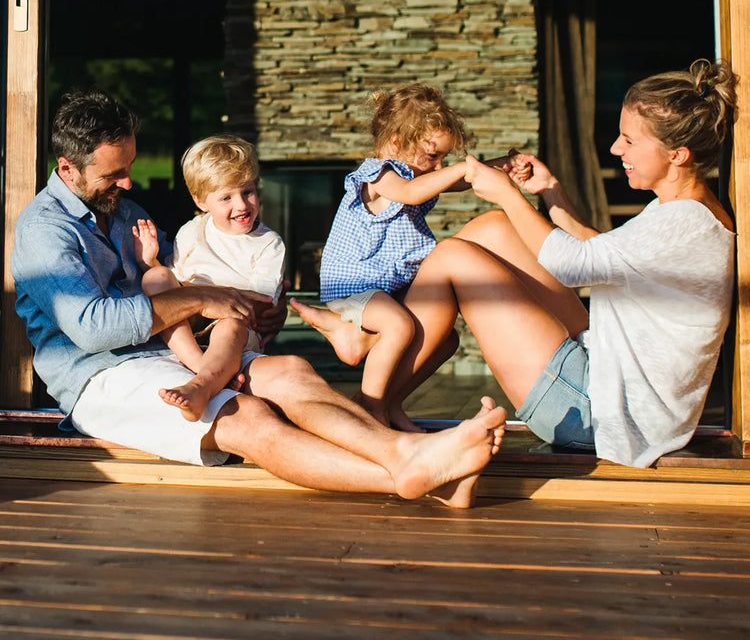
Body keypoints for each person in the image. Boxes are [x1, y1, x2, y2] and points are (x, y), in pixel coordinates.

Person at [11, 87, 507, 508]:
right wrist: (208, 298)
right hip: (102, 374)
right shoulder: (43, 231)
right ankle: (414, 473)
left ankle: (415, 458)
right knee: (246, 416)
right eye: (114, 174)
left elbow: (179, 270)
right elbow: (96, 328)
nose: (129, 182)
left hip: (171, 352)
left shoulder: (119, 208)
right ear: (67, 168)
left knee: (291, 371)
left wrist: (249, 309)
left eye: (130, 167)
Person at [294, 58, 737, 468]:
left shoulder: (682, 224)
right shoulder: (680, 211)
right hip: (605, 374)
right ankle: (386, 367)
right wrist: (550, 191)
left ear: (677, 155)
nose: (617, 148)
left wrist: (507, 191)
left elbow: (577, 264)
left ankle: (370, 400)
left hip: (599, 412)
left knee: (452, 256)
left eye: (630, 140)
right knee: (491, 228)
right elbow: (600, 251)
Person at [290, 83, 527, 430]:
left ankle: (390, 402)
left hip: (386, 286)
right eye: (432, 156)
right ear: (398, 142)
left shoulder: (418, 172)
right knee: (399, 327)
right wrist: (463, 168)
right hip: (356, 284)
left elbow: (459, 181)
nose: (439, 166)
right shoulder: (379, 174)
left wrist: (500, 166)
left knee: (446, 340)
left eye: (443, 158)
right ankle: (369, 409)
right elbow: (412, 194)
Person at [133, 135, 286, 422]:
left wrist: (201, 297)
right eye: (226, 197)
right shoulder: (192, 231)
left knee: (229, 326)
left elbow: (258, 304)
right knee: (155, 277)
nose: (241, 205)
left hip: (234, 325)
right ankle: (199, 364)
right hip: (190, 323)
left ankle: (201, 387)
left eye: (248, 192)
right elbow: (173, 285)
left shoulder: (268, 243)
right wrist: (149, 260)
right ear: (201, 201)